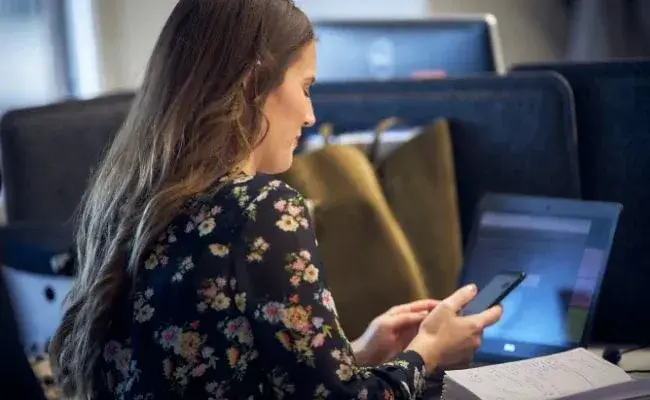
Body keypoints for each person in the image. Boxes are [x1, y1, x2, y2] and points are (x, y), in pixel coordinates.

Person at [48, 1, 502, 398]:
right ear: (253, 84)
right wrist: (429, 352)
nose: (310, 115)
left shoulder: (133, 203)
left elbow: (227, 375)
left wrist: (359, 353)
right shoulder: (259, 209)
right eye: (305, 87)